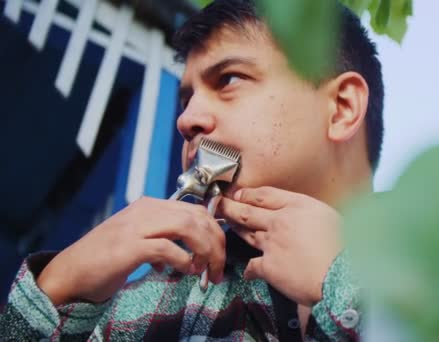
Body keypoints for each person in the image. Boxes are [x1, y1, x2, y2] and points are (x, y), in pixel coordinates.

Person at [0, 0, 384, 340]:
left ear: (342, 108)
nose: (186, 119)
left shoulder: (438, 278)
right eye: (187, 98)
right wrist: (57, 290)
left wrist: (347, 286)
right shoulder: (141, 310)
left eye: (229, 79)